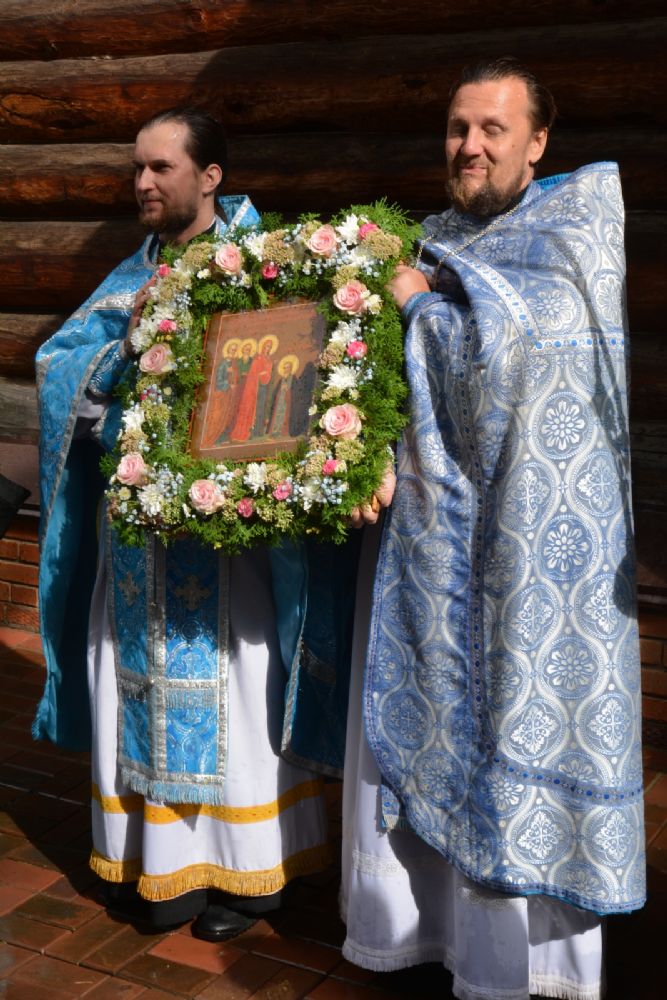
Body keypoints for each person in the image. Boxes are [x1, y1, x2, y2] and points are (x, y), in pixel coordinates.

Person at [341, 58, 645, 1000]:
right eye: (456, 128)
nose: (468, 147)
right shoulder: (428, 239)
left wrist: (414, 303)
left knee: (523, 727)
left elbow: (512, 368)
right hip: (429, 543)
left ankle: (522, 970)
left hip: (537, 565)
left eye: (492, 130)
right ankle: (421, 939)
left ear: (537, 143)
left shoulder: (571, 235)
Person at [33, 106, 360, 942]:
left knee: (237, 692)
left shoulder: (266, 267)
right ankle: (155, 864)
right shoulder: (127, 277)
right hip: (136, 538)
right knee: (133, 686)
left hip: (230, 544)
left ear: (210, 177)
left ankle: (248, 879)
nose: (142, 183)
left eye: (161, 169)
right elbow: (60, 368)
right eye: (136, 169)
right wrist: (124, 345)